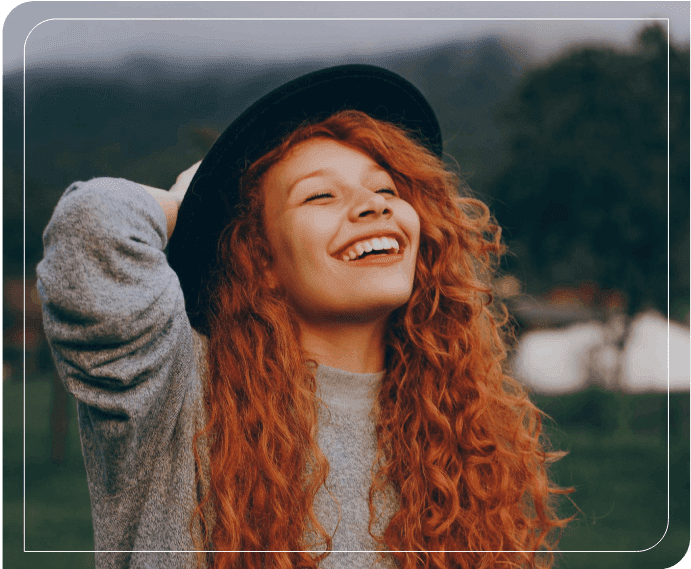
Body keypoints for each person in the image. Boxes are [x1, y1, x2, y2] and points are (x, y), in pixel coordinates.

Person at [38, 65, 573, 569]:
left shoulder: (453, 421)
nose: (373, 206)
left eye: (386, 188)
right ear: (260, 258)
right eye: (320, 195)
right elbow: (90, 231)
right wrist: (188, 200)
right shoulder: (176, 388)